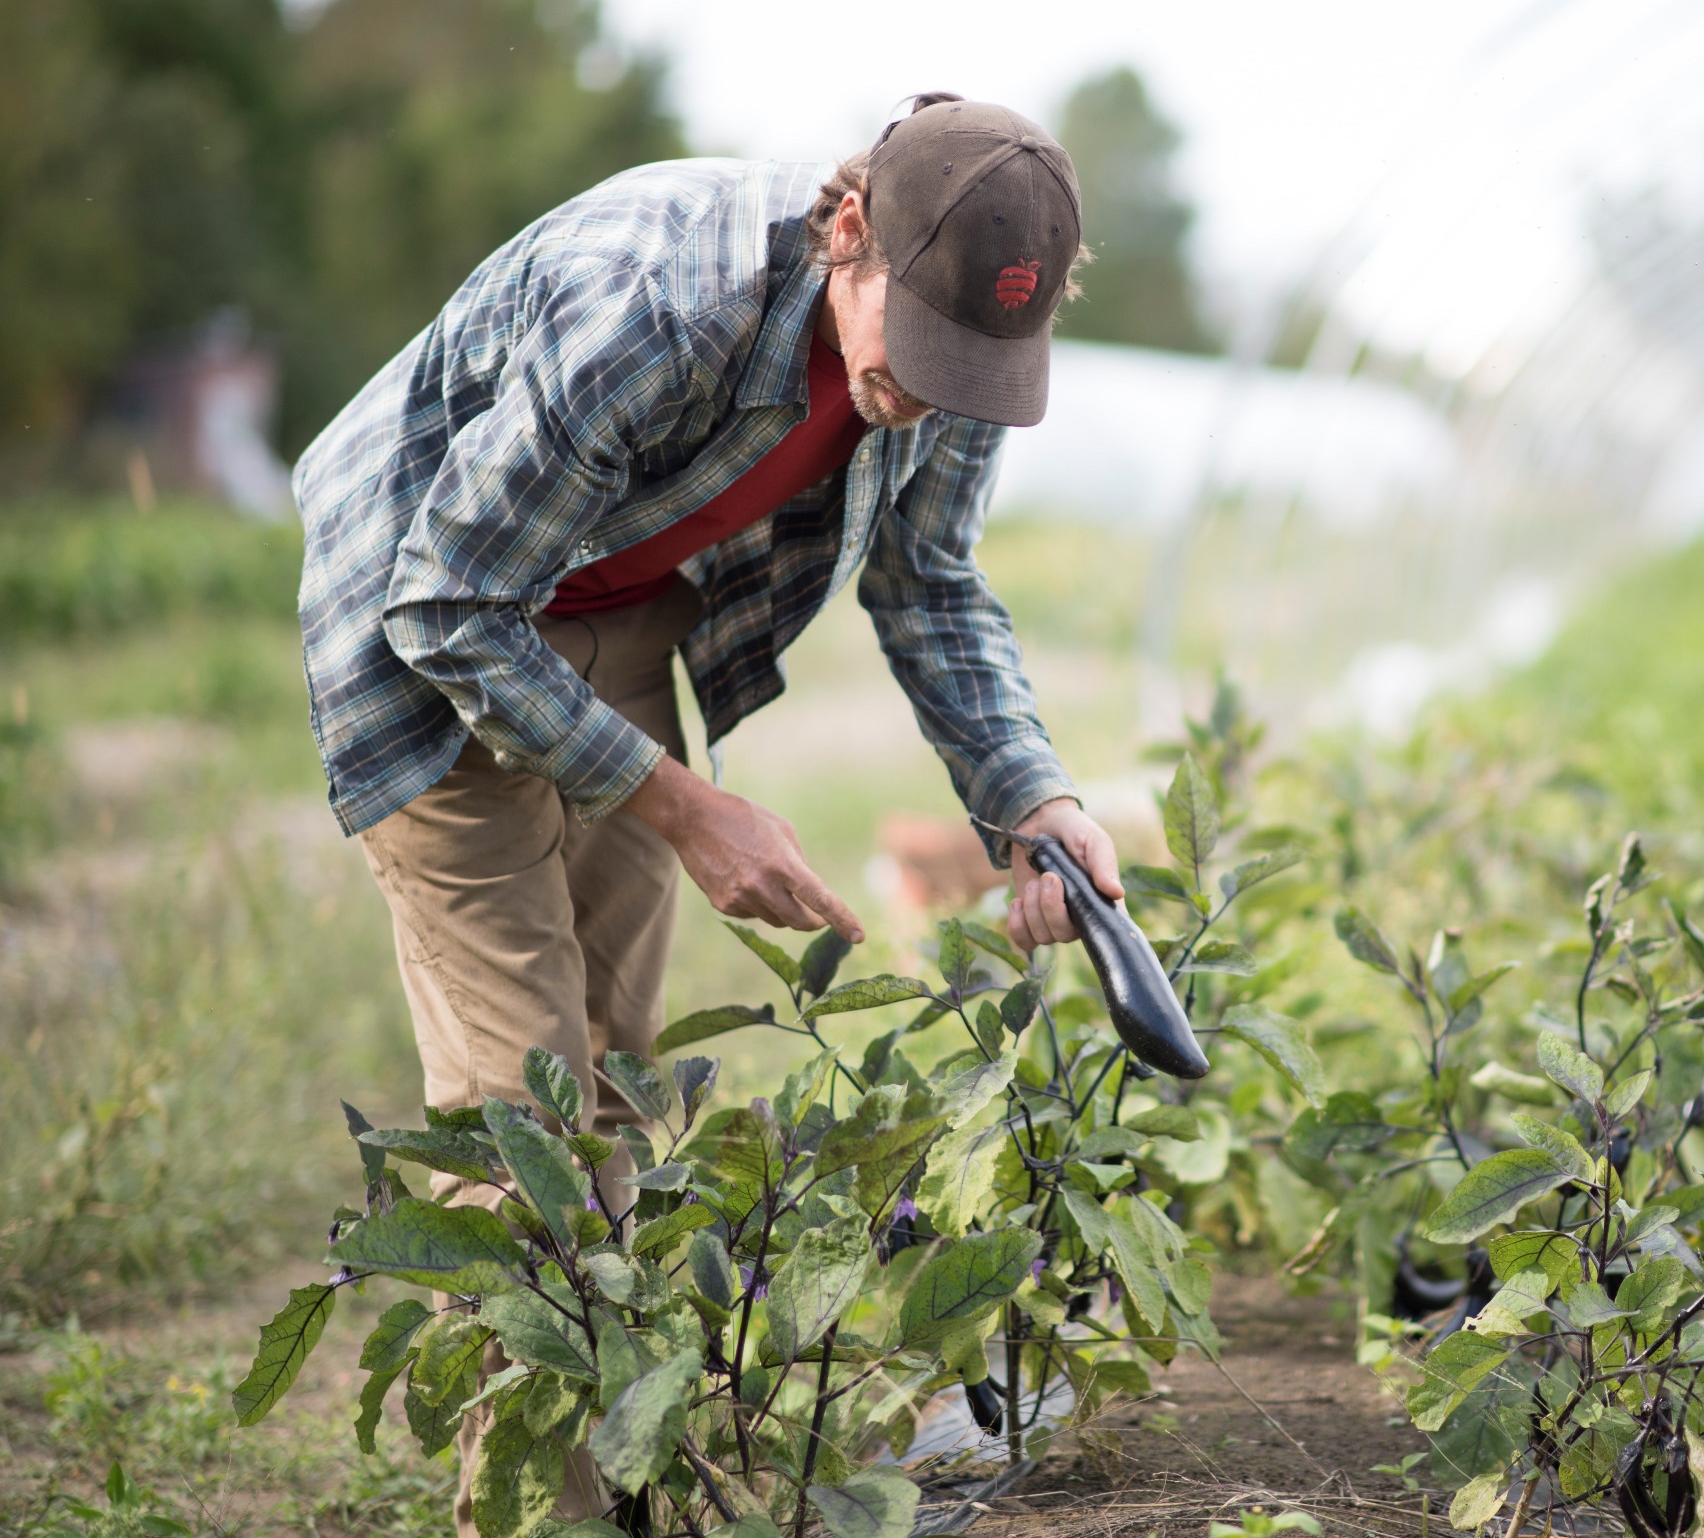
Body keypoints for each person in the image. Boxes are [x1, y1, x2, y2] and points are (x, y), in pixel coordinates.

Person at [291, 93, 1121, 1533]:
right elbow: (448, 601)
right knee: (522, 1115)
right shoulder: (657, 307)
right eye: (914, 350)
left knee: (612, 1078)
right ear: (845, 227)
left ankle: (626, 1482)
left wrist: (1028, 795)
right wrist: (687, 808)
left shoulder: (953, 369)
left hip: (608, 611)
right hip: (425, 618)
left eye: (970, 370)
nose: (925, 396)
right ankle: (539, 1514)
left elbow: (929, 583)